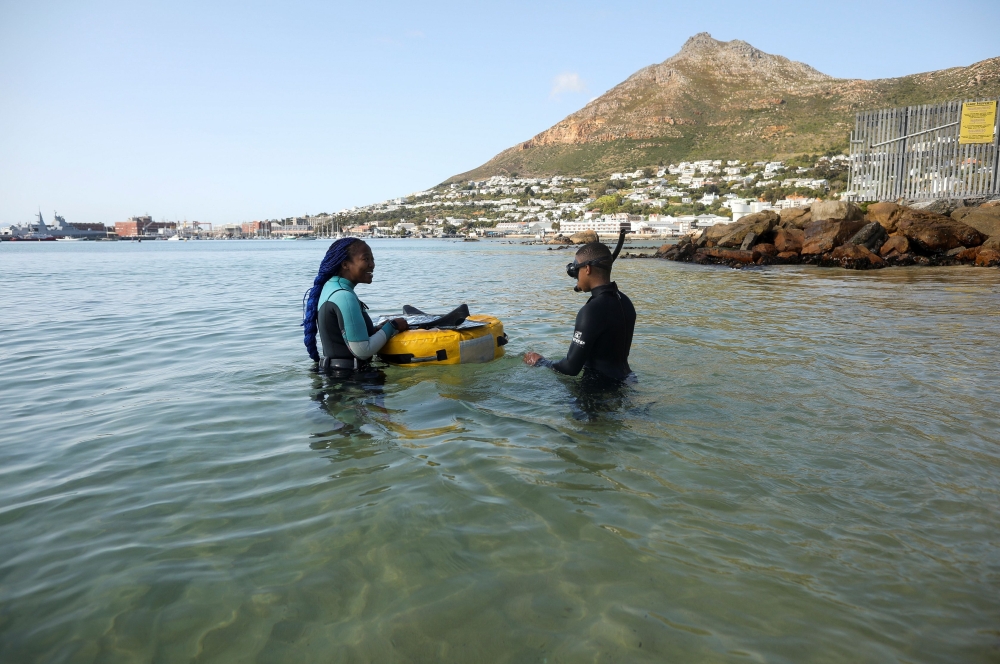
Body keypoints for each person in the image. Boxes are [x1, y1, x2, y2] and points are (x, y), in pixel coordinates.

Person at [523, 240, 636, 382]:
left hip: (597, 393)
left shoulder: (591, 310)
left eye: (576, 269)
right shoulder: (625, 302)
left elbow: (571, 368)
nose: (575, 274)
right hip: (627, 381)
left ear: (587, 269)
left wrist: (541, 362)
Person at [302, 238, 409, 372]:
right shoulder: (343, 295)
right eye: (366, 259)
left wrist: (378, 330)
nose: (372, 265)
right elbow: (363, 350)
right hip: (352, 383)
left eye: (372, 259)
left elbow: (343, 337)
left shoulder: (332, 287)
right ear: (345, 264)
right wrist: (392, 327)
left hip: (337, 376)